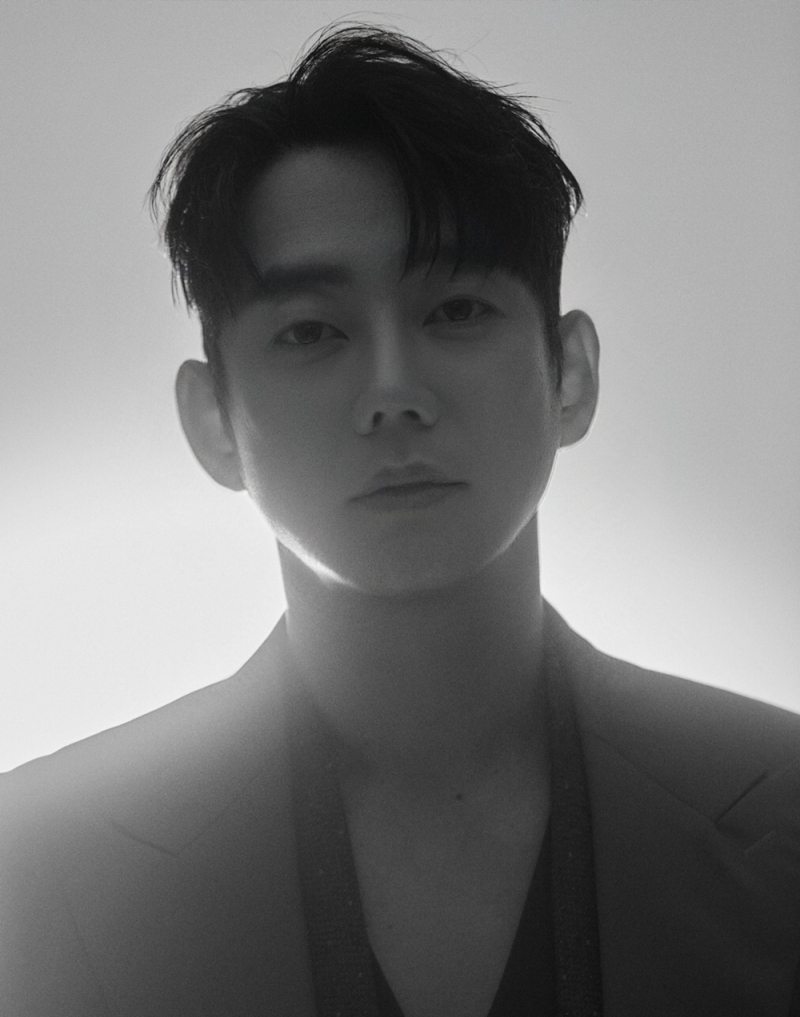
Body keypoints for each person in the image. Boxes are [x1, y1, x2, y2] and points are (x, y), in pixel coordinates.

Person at [2, 23, 798, 1017]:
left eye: (455, 311)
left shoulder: (784, 813)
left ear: (570, 373)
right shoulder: (42, 868)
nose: (392, 392)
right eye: (310, 331)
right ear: (212, 421)